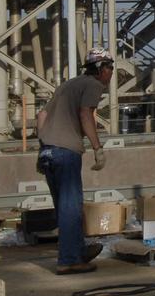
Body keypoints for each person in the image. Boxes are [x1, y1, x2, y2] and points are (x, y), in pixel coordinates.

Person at [36, 47, 114, 274]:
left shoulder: (68, 84)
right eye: (110, 67)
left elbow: (42, 116)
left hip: (48, 151)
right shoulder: (93, 84)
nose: (111, 72)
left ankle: (77, 251)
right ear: (101, 69)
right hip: (66, 151)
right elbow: (85, 114)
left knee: (64, 207)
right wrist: (97, 148)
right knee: (71, 207)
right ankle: (69, 260)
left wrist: (42, 149)